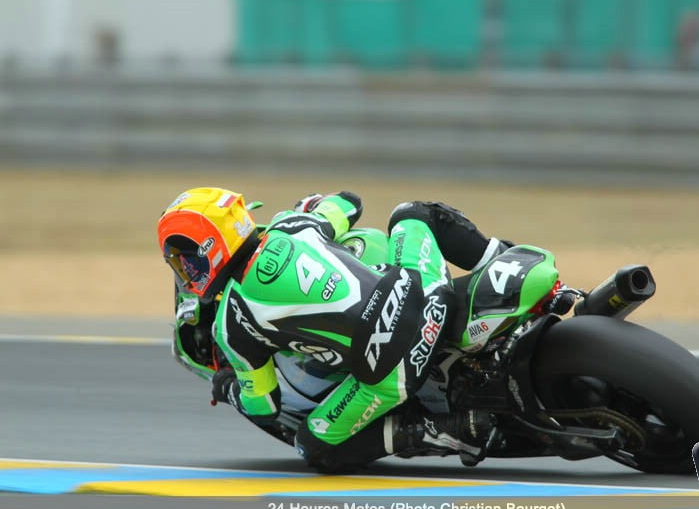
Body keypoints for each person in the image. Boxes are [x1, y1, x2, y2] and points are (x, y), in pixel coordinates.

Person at [157, 188, 507, 472]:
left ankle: (443, 430)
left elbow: (264, 405)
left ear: (209, 248)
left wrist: (227, 386)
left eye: (185, 260)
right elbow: (349, 202)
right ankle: (501, 260)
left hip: (391, 372)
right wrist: (314, 204)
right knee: (413, 213)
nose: (186, 271)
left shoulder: (231, 322)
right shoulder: (292, 224)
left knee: (315, 446)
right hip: (428, 294)